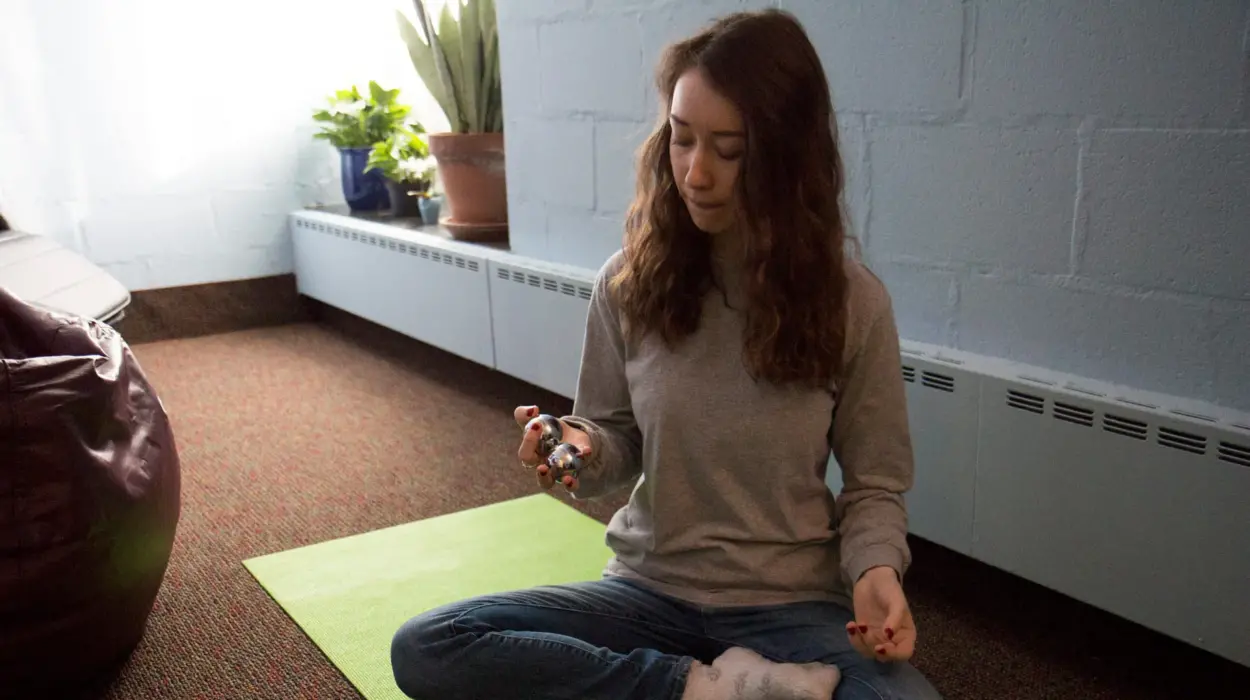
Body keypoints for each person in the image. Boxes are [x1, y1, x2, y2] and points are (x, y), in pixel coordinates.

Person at [391, 9, 942, 700]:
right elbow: (614, 438)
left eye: (729, 149)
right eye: (681, 140)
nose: (696, 172)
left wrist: (876, 574)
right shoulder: (629, 281)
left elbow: (874, 488)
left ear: (785, 156)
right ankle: (701, 690)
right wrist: (578, 448)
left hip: (792, 610)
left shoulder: (854, 302)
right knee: (430, 647)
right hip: (648, 597)